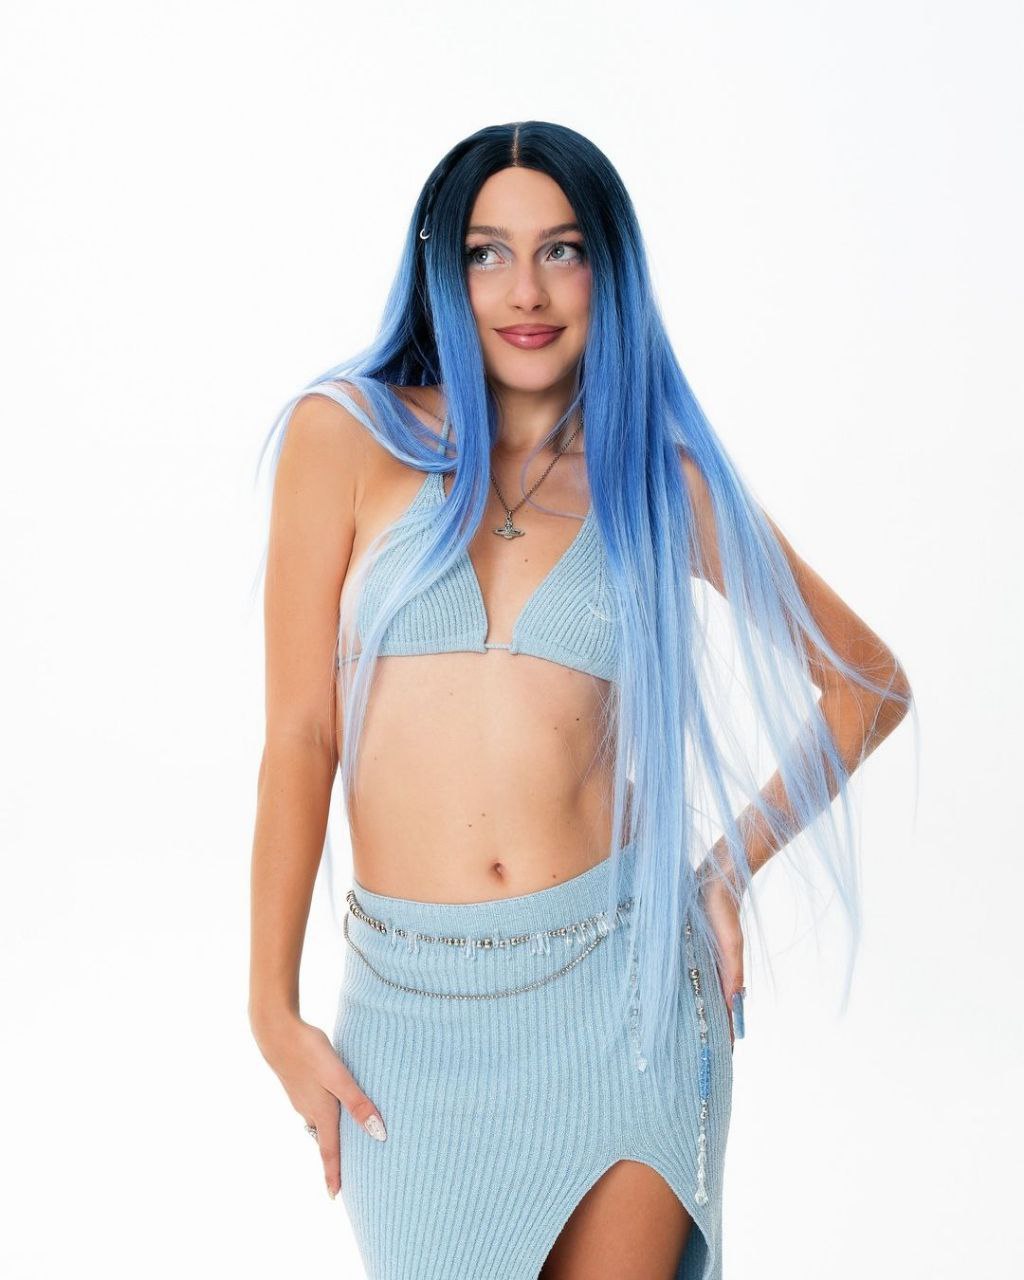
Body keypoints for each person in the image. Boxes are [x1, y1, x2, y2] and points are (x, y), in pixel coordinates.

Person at [248, 121, 913, 1280]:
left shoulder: (659, 481)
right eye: (487, 252)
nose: (526, 291)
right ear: (442, 266)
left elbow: (866, 683)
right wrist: (271, 1006)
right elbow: (301, 736)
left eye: (561, 250)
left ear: (608, 265)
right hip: (408, 1022)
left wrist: (722, 869)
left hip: (623, 1001)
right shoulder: (344, 438)